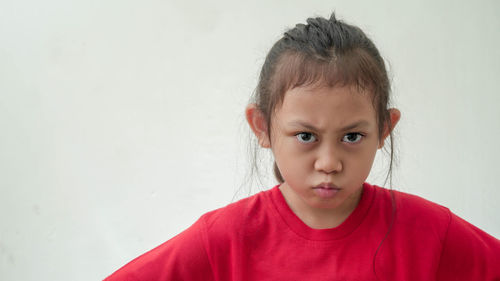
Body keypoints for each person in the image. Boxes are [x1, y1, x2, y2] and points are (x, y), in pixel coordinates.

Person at [104, 12, 500, 280]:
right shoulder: (224, 239)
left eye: (351, 137)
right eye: (306, 136)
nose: (329, 163)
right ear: (262, 127)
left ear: (384, 128)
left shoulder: (430, 233)